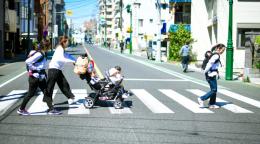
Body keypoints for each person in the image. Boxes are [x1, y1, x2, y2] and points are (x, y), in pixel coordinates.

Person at [17, 40, 58, 115]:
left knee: (46, 92)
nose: (49, 48)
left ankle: (51, 109)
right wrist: (35, 69)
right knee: (30, 93)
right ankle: (21, 109)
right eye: (49, 46)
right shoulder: (39, 54)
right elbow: (28, 61)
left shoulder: (39, 53)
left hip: (39, 77)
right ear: (46, 47)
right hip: (35, 77)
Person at [43, 36, 77, 114]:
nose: (68, 43)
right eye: (67, 41)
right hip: (53, 70)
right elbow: (61, 59)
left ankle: (71, 97)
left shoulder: (62, 49)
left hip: (57, 70)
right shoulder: (59, 49)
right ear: (64, 42)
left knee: (64, 83)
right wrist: (71, 62)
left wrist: (75, 60)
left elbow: (67, 55)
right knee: (49, 88)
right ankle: (50, 106)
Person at [197, 43, 226, 109]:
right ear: (218, 49)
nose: (223, 52)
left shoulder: (214, 53)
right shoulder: (216, 55)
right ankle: (201, 98)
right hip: (211, 74)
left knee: (213, 89)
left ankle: (212, 104)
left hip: (212, 73)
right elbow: (210, 63)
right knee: (214, 90)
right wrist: (205, 71)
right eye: (222, 50)